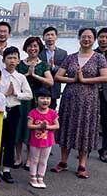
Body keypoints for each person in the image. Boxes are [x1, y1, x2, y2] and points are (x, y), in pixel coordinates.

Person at [52, 28, 107, 179]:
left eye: (90, 37)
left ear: (94, 39)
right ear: (79, 38)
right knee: (67, 126)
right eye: (84, 37)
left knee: (86, 129)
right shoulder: (70, 57)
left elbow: (104, 77)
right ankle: (63, 161)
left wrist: (84, 80)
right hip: (70, 99)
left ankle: (82, 165)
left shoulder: (99, 58)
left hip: (89, 100)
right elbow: (58, 76)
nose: (86, 39)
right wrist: (73, 79)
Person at [14, 37, 53, 169]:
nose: (33, 48)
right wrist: (26, 74)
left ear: (39, 48)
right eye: (30, 46)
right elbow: (13, 81)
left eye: (35, 46)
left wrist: (34, 75)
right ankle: (18, 157)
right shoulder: (19, 64)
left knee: (33, 129)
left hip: (36, 101)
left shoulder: (43, 65)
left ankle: (31, 159)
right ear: (26, 48)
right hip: (21, 100)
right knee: (19, 127)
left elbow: (50, 81)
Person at [0, 47, 33, 184]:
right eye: (9, 58)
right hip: (0, 111)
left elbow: (29, 95)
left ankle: (6, 169)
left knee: (11, 140)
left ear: (18, 60)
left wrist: (16, 94)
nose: (12, 61)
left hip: (15, 110)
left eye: (14, 58)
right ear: (4, 60)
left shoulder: (21, 77)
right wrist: (5, 94)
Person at [27, 88, 59, 189]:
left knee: (43, 160)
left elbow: (57, 126)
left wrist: (47, 127)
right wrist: (39, 127)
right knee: (34, 159)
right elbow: (29, 125)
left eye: (47, 98)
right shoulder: (33, 112)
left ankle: (40, 177)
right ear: (36, 100)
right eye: (42, 98)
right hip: (35, 141)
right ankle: (33, 177)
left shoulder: (53, 113)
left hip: (48, 141)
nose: (45, 100)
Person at [39, 26, 67, 110]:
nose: (50, 37)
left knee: (52, 111)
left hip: (54, 88)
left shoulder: (63, 53)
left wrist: (54, 67)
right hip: (40, 86)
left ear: (56, 37)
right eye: (47, 35)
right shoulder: (38, 51)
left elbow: (65, 70)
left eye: (52, 34)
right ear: (43, 38)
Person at [95, 27, 107, 163]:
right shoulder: (91, 54)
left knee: (106, 122)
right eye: (101, 37)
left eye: (106, 37)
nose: (103, 40)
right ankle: (84, 149)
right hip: (91, 92)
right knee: (90, 121)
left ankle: (104, 149)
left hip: (106, 93)